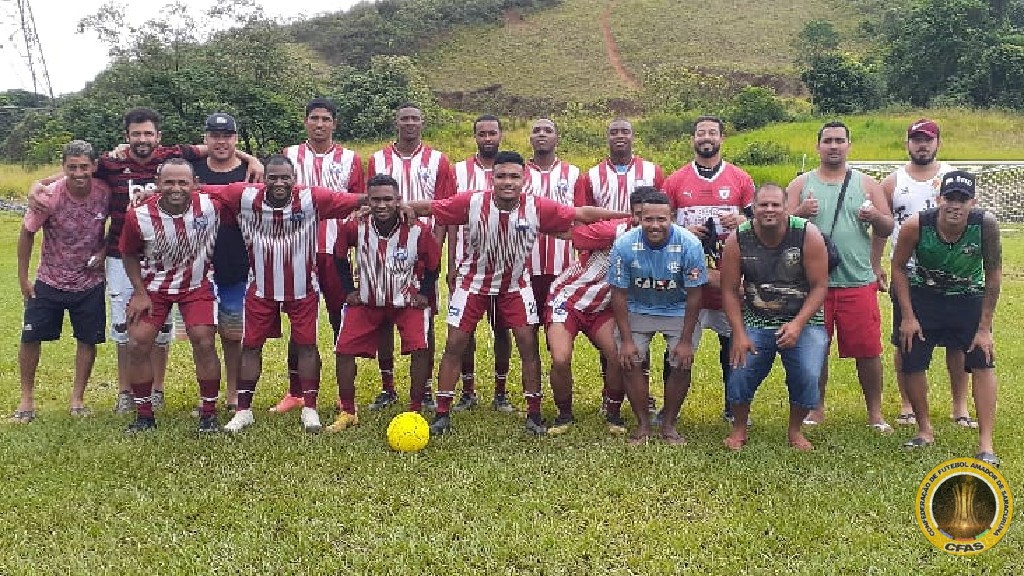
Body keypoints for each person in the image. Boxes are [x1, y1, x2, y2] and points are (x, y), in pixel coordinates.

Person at [28, 107, 261, 414]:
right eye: (136, 134)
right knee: (130, 329)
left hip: (187, 260)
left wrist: (252, 158)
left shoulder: (174, 155)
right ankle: (128, 393)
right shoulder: (112, 163)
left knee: (185, 332)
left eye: (147, 133)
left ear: (157, 136)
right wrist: (41, 184)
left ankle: (164, 390)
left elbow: (221, 147)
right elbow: (77, 170)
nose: (142, 139)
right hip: (128, 258)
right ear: (127, 136)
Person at [403, 150, 629, 437]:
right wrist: (401, 205)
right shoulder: (472, 202)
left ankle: (534, 413)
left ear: (524, 179)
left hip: (514, 286)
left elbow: (582, 214)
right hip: (473, 283)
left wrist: (631, 217)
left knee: (527, 344)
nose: (507, 182)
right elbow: (431, 208)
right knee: (455, 343)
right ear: (492, 178)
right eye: (501, 176)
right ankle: (442, 412)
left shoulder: (537, 207)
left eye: (514, 176)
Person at [206, 156, 366, 434]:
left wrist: (400, 204)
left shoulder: (312, 198)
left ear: (295, 179)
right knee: (251, 346)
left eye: (285, 178)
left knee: (307, 346)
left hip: (302, 288)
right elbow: (199, 189)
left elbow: (357, 199)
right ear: (263, 179)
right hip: (261, 288)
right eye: (273, 177)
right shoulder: (242, 195)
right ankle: (244, 411)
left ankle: (310, 408)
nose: (279, 183)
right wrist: (153, 191)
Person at [786, 120, 894, 430]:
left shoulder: (868, 184)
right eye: (828, 140)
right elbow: (777, 227)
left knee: (868, 351)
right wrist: (798, 213)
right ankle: (815, 409)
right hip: (811, 284)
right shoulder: (800, 185)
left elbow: (887, 227)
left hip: (857, 281)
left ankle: (875, 412)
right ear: (818, 146)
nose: (834, 146)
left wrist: (874, 216)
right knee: (815, 349)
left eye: (839, 140)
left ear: (849, 145)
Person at [891, 171, 1002, 466]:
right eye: (950, 198)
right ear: (939, 199)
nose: (955, 205)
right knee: (912, 356)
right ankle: (925, 429)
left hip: (968, 296)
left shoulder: (985, 225)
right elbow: (899, 268)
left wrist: (984, 327)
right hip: (925, 296)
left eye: (963, 199)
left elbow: (993, 274)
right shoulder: (917, 225)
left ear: (973, 201)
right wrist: (908, 316)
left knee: (982, 358)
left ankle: (986, 442)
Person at [872, 119, 973, 428]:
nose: (922, 145)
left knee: (957, 345)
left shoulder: (951, 178)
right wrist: (875, 264)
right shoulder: (892, 182)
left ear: (937, 143)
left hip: (952, 275)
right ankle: (907, 404)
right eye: (916, 139)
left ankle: (960, 405)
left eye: (927, 139)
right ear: (907, 144)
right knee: (907, 341)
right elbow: (882, 228)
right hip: (910, 275)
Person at [720, 184, 830, 451]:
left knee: (807, 372)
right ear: (753, 208)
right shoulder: (738, 238)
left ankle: (795, 431)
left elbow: (819, 286)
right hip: (756, 317)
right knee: (740, 370)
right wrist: (739, 334)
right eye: (763, 205)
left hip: (802, 318)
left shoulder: (807, 234)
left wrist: (798, 324)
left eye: (775, 205)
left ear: (786, 208)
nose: (769, 210)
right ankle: (739, 428)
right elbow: (729, 289)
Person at [275, 98, 366, 415]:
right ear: (305, 122)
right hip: (296, 251)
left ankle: (345, 397)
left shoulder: (351, 159)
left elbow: (359, 204)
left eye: (326, 119)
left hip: (336, 253)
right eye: (314, 118)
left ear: (334, 124)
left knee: (343, 322)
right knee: (301, 325)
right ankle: (295, 391)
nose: (320, 124)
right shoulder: (288, 156)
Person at [329, 175, 441, 431]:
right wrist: (349, 290)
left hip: (406, 301)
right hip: (368, 300)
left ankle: (414, 408)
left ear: (398, 200)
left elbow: (433, 262)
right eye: (375, 199)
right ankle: (348, 410)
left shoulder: (417, 228)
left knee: (421, 348)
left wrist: (424, 293)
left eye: (387, 199)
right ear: (367, 200)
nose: (381, 205)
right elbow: (338, 256)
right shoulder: (356, 224)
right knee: (343, 350)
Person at [664, 115, 755, 425]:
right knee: (679, 345)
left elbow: (759, 224)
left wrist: (743, 221)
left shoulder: (740, 179)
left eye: (712, 133)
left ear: (721, 138)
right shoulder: (676, 180)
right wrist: (684, 228)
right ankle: (669, 407)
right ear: (693, 139)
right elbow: (660, 225)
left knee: (732, 344)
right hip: (687, 283)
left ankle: (734, 405)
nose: (706, 137)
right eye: (701, 132)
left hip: (730, 279)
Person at [119, 159, 222, 434]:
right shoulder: (138, 216)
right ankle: (144, 415)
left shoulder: (211, 206)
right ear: (157, 183)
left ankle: (209, 413)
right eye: (169, 182)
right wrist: (140, 292)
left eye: (183, 182)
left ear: (195, 184)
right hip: (154, 288)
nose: (176, 188)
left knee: (203, 340)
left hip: (196, 285)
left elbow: (248, 192)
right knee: (138, 342)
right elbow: (128, 254)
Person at [365, 103, 455, 412]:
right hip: (383, 248)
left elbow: (445, 209)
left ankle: (425, 388)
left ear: (423, 122)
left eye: (415, 118)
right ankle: (387, 386)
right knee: (383, 315)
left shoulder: (439, 161)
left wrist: (435, 247)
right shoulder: (377, 159)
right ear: (396, 122)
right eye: (404, 118)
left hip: (421, 251)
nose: (410, 123)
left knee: (424, 316)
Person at [13, 141, 109, 422]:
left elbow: (118, 222)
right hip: (49, 279)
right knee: (31, 337)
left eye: (84, 166)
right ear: (63, 167)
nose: (79, 173)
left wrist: (103, 252)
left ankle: (78, 399)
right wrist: (23, 278)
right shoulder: (49, 196)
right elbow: (27, 233)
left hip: (90, 281)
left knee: (87, 339)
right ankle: (27, 399)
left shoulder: (104, 193)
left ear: (93, 166)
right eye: (72, 167)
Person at [579, 118, 666, 414]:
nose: (619, 136)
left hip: (643, 261)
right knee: (613, 334)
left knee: (641, 329)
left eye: (624, 132)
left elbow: (663, 213)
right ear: (607, 138)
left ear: (633, 136)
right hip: (604, 262)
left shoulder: (652, 171)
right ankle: (610, 394)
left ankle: (645, 394)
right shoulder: (591, 175)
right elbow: (584, 219)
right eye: (614, 132)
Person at [544, 188, 646, 435]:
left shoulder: (665, 239)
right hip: (568, 300)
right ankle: (564, 414)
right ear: (632, 214)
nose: (648, 222)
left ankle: (612, 413)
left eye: (655, 216)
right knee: (560, 358)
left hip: (604, 307)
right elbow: (570, 233)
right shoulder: (614, 231)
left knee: (618, 356)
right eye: (641, 215)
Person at [608, 191, 707, 445]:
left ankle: (669, 424)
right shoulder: (624, 245)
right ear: (639, 218)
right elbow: (618, 294)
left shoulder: (690, 245)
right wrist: (627, 341)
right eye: (647, 219)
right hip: (638, 308)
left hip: (678, 309)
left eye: (661, 219)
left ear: (672, 217)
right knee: (630, 360)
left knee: (681, 362)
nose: (655, 225)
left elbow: (695, 295)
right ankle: (642, 424)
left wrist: (685, 341)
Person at [448, 114, 516, 413]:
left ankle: (501, 392)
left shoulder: (513, 170)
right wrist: (450, 263)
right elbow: (450, 219)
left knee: (502, 329)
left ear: (501, 135)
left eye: (492, 133)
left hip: (506, 268)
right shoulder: (459, 170)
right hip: (468, 266)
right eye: (482, 134)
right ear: (474, 136)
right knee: (465, 332)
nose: (488, 138)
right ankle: (468, 389)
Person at [190, 112, 250, 415]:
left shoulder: (250, 172)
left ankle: (234, 393)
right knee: (202, 335)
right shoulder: (193, 171)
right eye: (214, 135)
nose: (221, 141)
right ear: (205, 139)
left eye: (227, 136)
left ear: (235, 139)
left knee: (232, 334)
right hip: (198, 266)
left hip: (237, 263)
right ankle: (207, 394)